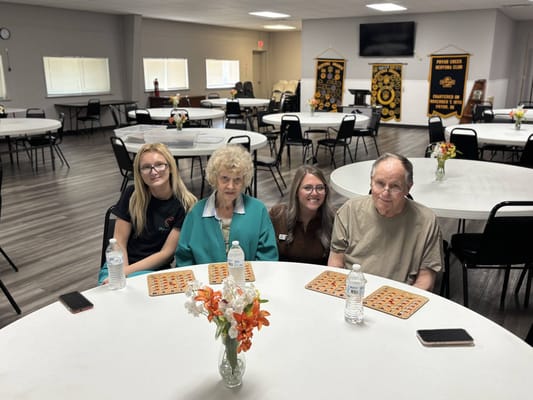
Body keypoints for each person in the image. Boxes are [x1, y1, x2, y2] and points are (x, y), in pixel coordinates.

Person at [328, 153, 443, 291]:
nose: (385, 192)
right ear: (371, 181)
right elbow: (336, 262)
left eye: (395, 186)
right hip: (353, 290)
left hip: (399, 295)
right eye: (380, 183)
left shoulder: (426, 221)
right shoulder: (349, 210)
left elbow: (426, 278)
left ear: (408, 188)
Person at [98, 143, 197, 284]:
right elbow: (119, 242)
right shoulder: (132, 195)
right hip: (118, 263)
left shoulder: (186, 204)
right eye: (146, 167)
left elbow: (166, 254)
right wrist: (121, 272)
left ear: (170, 167)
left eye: (159, 165)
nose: (154, 171)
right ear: (139, 172)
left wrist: (126, 273)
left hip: (154, 269)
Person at [175, 144, 278, 265]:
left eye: (237, 180)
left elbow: (268, 257)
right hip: (205, 282)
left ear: (244, 180)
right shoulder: (196, 212)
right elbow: (184, 259)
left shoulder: (257, 210)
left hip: (248, 281)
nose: (231, 186)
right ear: (214, 178)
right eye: (225, 178)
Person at [269, 165, 334, 265]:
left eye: (320, 188)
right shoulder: (278, 215)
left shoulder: (334, 220)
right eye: (308, 188)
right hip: (283, 277)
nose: (314, 193)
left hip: (320, 278)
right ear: (296, 191)